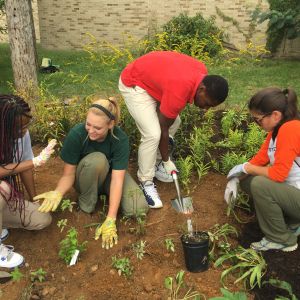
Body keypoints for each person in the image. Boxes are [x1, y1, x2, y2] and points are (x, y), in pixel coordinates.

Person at [34, 97, 149, 250]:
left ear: (110, 125)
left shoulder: (120, 139)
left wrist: (111, 218)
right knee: (98, 160)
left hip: (109, 177)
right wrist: (57, 192)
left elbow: (117, 180)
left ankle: (105, 196)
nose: (91, 130)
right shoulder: (77, 134)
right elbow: (68, 175)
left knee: (137, 207)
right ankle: (86, 206)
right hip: (84, 177)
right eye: (88, 124)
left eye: (97, 127)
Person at [119, 50, 229, 208]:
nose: (205, 109)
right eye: (207, 104)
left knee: (175, 122)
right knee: (153, 134)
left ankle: (155, 164)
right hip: (135, 83)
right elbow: (163, 128)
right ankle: (146, 181)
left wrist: (163, 158)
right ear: (202, 89)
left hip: (154, 82)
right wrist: (167, 159)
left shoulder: (201, 72)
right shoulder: (180, 89)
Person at [224, 87, 300, 252]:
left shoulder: (290, 129)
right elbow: (260, 160)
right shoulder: (275, 131)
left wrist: (247, 167)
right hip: (295, 192)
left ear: (275, 115)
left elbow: (278, 175)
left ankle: (282, 239)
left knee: (258, 183)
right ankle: (294, 221)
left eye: (258, 120)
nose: (257, 124)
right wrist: (237, 178)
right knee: (248, 182)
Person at [0, 95, 55, 268]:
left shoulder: (22, 134)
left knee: (42, 219)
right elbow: (27, 163)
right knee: (3, 189)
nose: (24, 130)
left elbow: (25, 167)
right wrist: (35, 161)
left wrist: (34, 197)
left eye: (26, 125)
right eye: (19, 127)